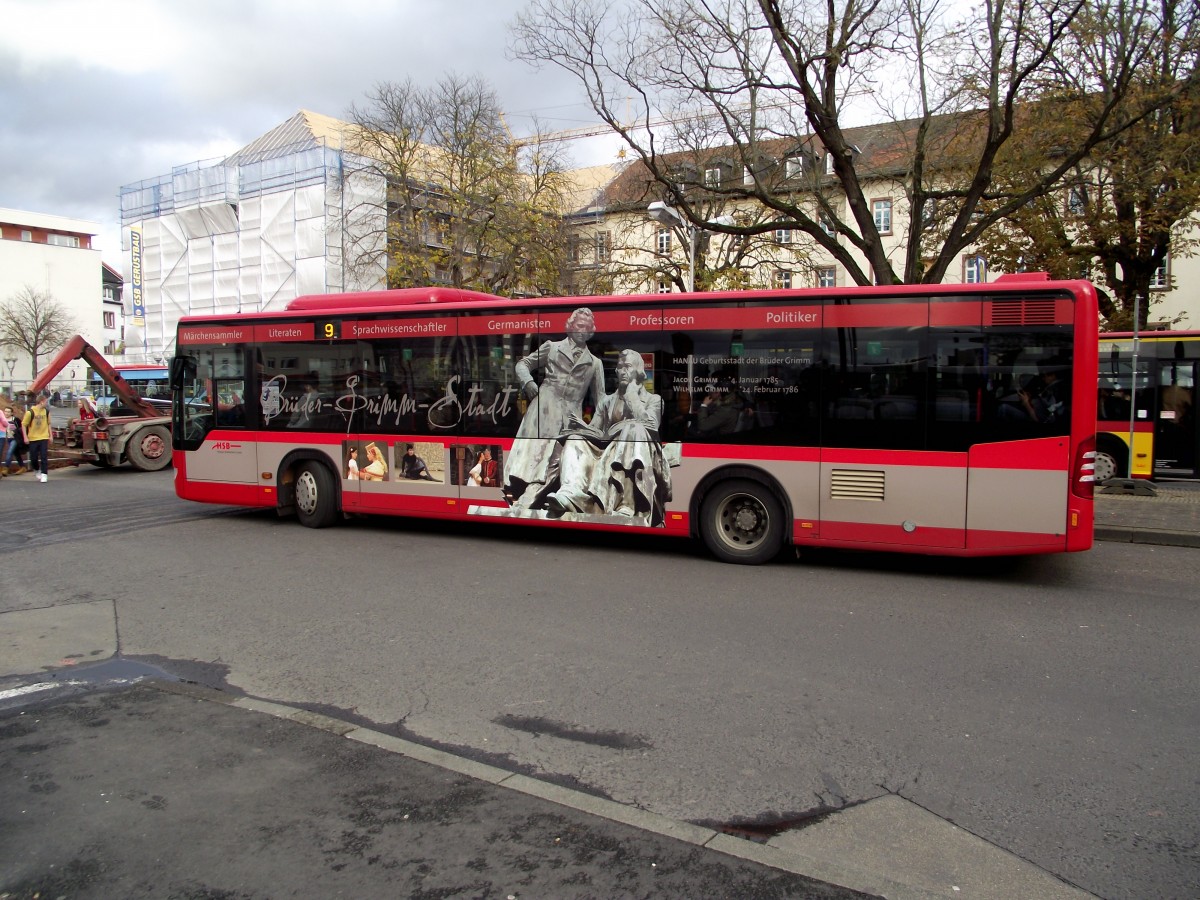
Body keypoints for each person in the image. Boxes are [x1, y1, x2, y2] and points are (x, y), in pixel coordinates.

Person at [540, 349, 672, 526]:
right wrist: (581, 428)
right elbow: (596, 431)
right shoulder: (607, 401)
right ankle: (570, 494)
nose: (623, 371)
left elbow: (651, 426)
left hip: (635, 450)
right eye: (620, 367)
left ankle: (626, 503)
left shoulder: (654, 400)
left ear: (639, 372)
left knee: (634, 429)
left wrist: (631, 396)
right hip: (605, 450)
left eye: (628, 367)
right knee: (575, 439)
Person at [502, 307, 605, 508]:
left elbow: (601, 401)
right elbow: (522, 364)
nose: (581, 330)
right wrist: (529, 383)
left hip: (569, 418)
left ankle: (535, 499)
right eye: (578, 325)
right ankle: (525, 497)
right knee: (535, 458)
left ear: (590, 331)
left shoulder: (595, 363)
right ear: (570, 326)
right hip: (543, 410)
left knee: (556, 459)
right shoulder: (552, 347)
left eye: (586, 327)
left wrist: (591, 428)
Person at [23, 395, 52, 483]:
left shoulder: (46, 412)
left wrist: (50, 435)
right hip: (33, 438)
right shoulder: (30, 412)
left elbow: (49, 424)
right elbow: (24, 424)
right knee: (33, 457)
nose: (46, 404)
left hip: (43, 436)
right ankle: (36, 469)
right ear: (41, 402)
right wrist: (25, 437)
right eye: (46, 402)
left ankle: (44, 474)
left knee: (44, 456)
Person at [4, 405, 28, 475]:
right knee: (16, 453)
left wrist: (15, 431)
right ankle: (22, 467)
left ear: (11, 413)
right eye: (5, 411)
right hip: (8, 438)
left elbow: (22, 428)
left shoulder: (15, 420)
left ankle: (6, 468)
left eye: (8, 412)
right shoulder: (2, 420)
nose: (6, 413)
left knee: (10, 451)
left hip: (16, 438)